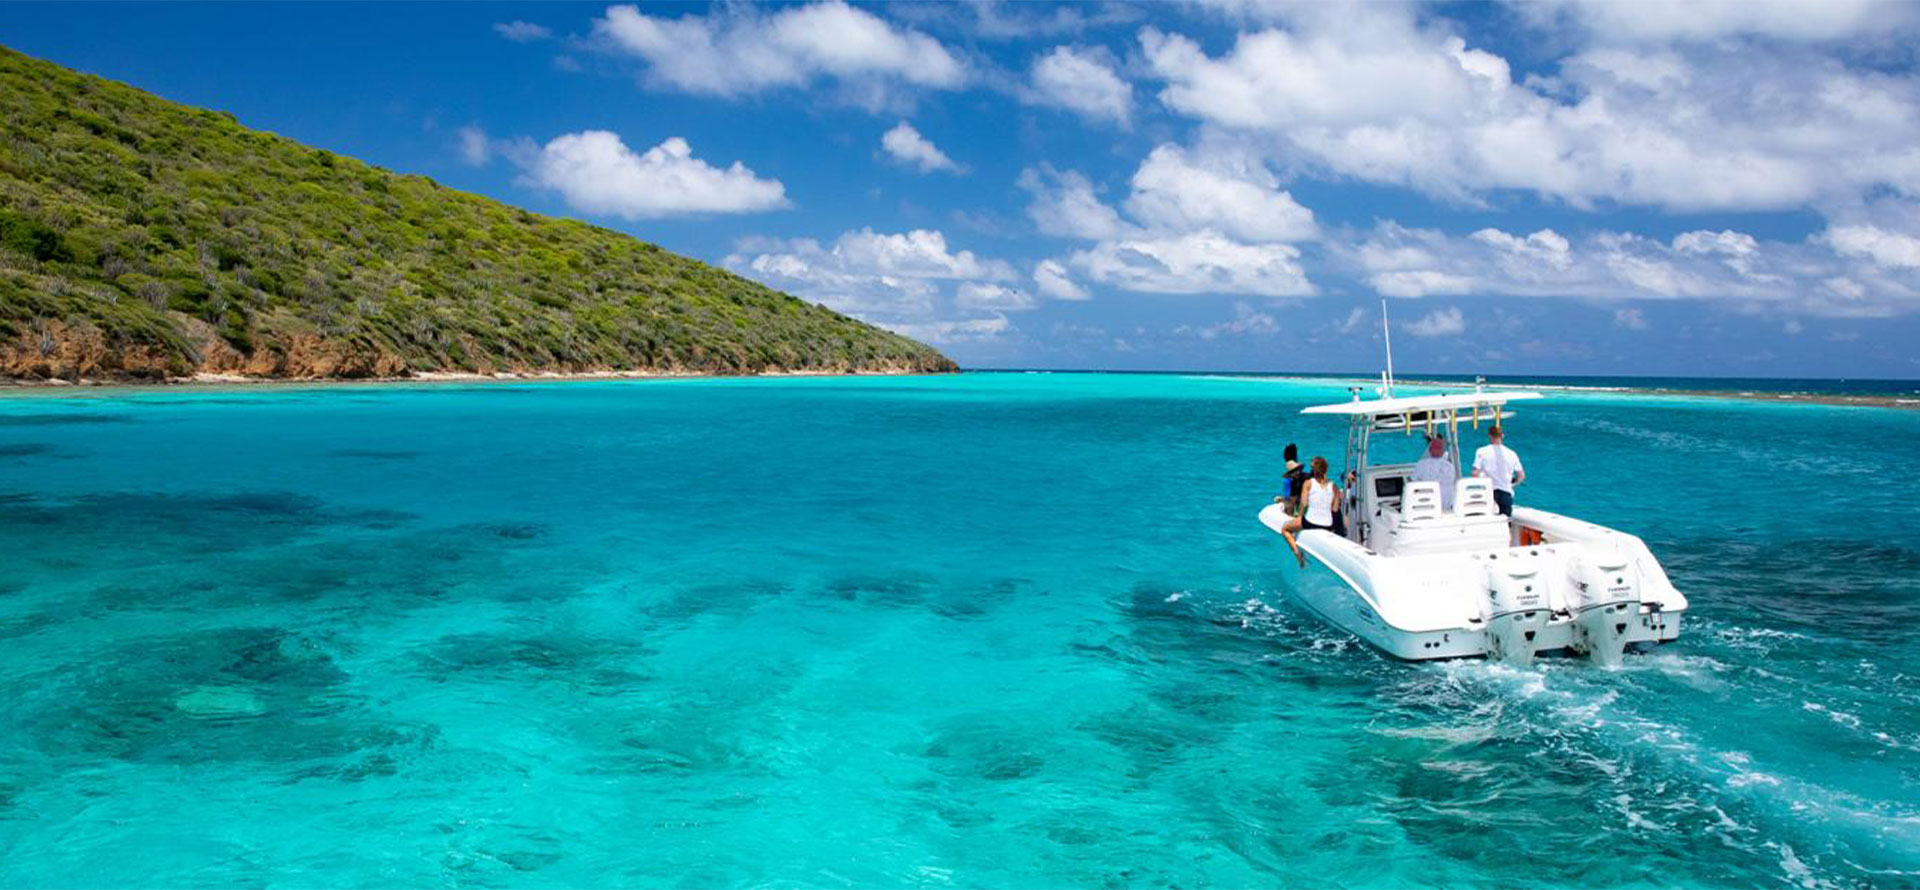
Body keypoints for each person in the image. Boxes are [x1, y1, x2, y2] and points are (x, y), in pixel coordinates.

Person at [1280, 456, 1342, 568]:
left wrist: (1298, 518)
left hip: (1310, 522)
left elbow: (1304, 504)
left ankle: (1297, 554)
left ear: (1313, 469)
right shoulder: (1334, 486)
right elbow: (1335, 509)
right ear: (1325, 470)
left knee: (1285, 529)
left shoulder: (1308, 483)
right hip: (1328, 525)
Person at [1472, 425, 1526, 516]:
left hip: (1487, 492)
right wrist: (1513, 483)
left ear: (1489, 436)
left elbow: (1475, 473)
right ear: (1502, 436)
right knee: (1505, 523)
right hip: (1505, 493)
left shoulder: (1481, 451)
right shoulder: (1512, 454)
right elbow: (1521, 475)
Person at [1411, 433, 1459, 511]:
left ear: (1429, 449)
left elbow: (1411, 484)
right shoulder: (1450, 467)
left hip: (1428, 507)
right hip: (1447, 508)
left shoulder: (1422, 465)